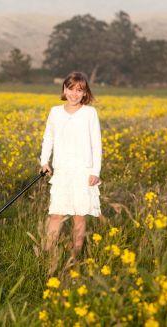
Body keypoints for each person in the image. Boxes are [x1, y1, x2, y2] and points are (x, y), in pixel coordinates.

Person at [40, 71, 102, 262]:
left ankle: (75, 256)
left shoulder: (90, 113)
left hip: (83, 171)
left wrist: (95, 172)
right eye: (71, 89)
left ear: (85, 93)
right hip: (62, 171)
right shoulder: (55, 112)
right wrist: (44, 161)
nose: (74, 94)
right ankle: (47, 255)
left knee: (79, 216)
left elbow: (96, 143)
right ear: (64, 89)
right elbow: (48, 137)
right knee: (56, 215)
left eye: (79, 90)